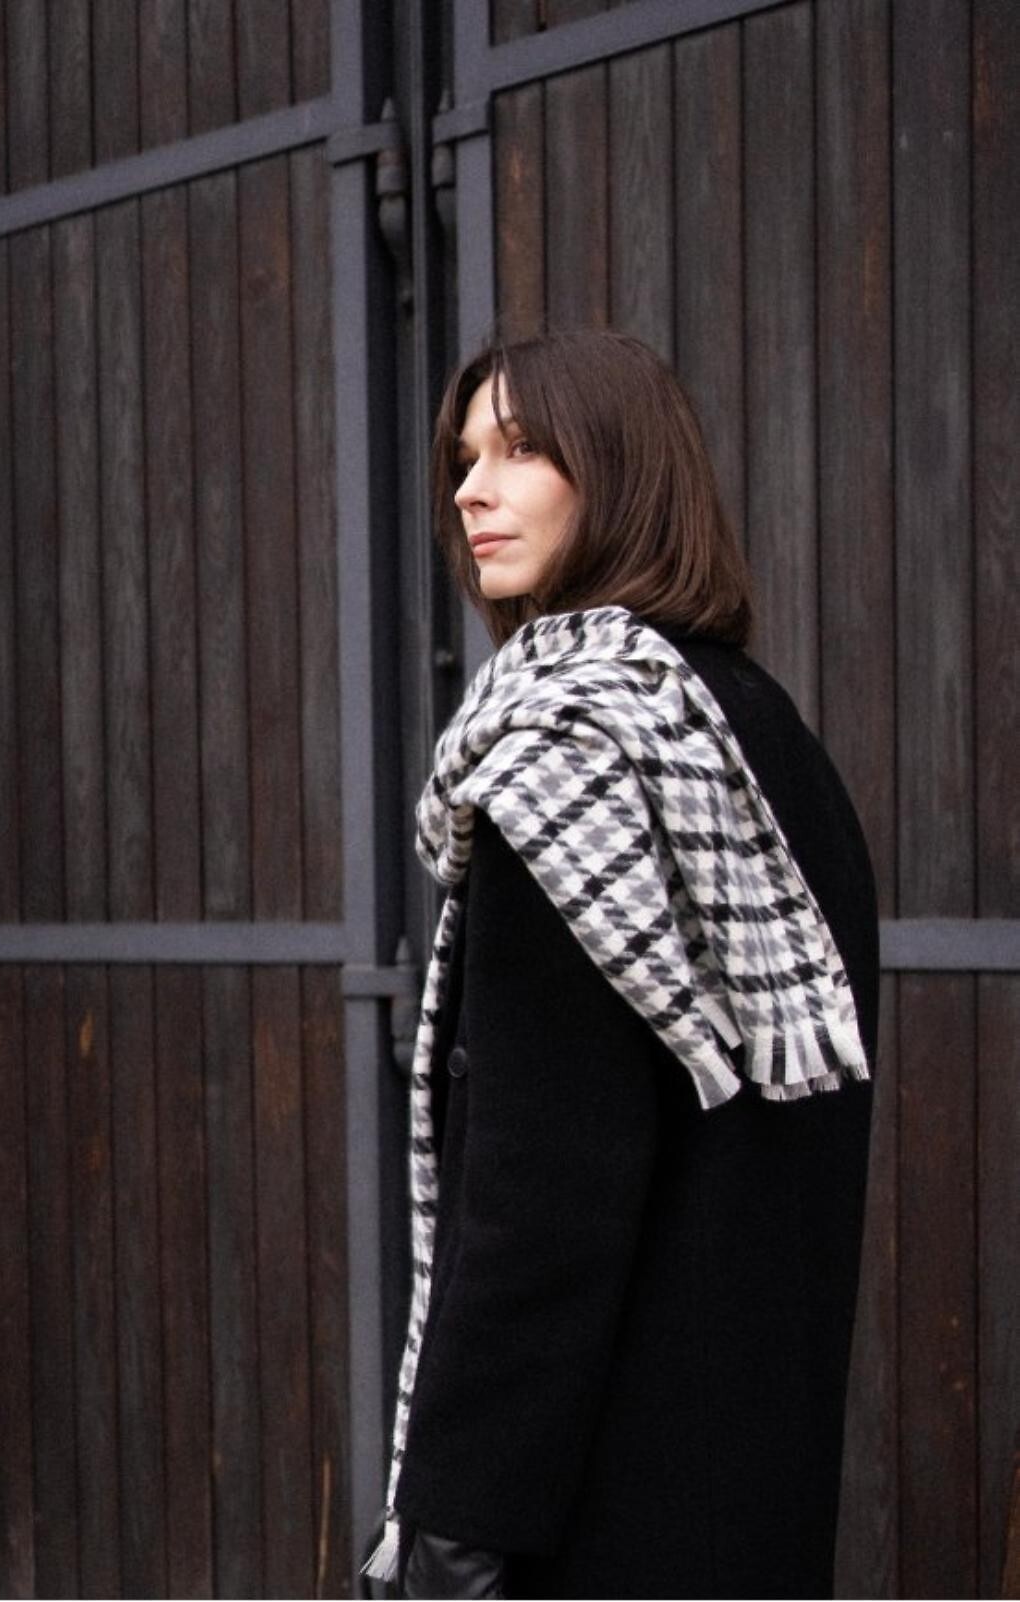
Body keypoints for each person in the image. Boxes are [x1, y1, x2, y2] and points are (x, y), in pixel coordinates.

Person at [365, 330, 878, 1600]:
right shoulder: (757, 737)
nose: (472, 490)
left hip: (590, 1517)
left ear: (623, 473)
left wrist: (454, 1532)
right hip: (748, 1488)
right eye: (465, 457)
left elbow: (541, 1200)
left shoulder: (571, 764)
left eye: (521, 451)